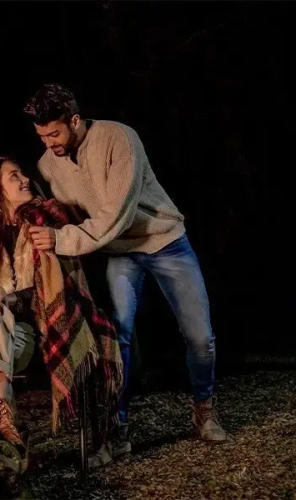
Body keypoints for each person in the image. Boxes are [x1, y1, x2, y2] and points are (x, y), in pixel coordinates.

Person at [23, 83, 227, 464]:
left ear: (75, 120)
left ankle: (205, 408)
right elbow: (65, 215)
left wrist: (61, 239)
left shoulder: (119, 140)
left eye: (54, 133)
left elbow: (116, 214)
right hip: (119, 254)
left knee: (200, 337)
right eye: (42, 136)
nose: (49, 143)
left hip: (164, 241)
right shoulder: (49, 165)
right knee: (118, 339)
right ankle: (116, 428)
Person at [0, 156, 123, 460]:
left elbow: (52, 293)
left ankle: (3, 430)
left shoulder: (43, 224)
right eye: (14, 176)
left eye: (22, 174)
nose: (25, 180)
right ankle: (7, 426)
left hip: (30, 334)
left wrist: (4, 296)